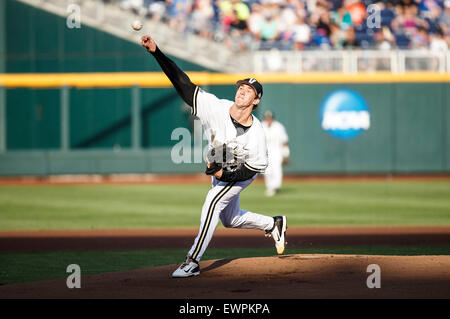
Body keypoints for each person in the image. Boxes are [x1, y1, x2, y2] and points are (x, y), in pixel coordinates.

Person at [141, 35, 287, 278]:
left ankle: (192, 261)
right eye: (241, 87)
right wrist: (157, 52)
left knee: (213, 202)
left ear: (256, 100)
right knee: (230, 219)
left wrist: (224, 173)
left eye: (249, 90)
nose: (242, 91)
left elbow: (251, 170)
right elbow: (181, 82)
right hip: (222, 169)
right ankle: (273, 224)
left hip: (241, 173)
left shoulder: (257, 133)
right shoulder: (215, 106)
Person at [261, 111, 289, 197]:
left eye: (270, 117)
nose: (268, 119)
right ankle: (270, 187)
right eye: (267, 117)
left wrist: (286, 154)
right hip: (265, 152)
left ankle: (275, 186)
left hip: (277, 151)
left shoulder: (278, 127)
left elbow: (284, 141)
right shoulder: (262, 125)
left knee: (277, 169)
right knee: (267, 170)